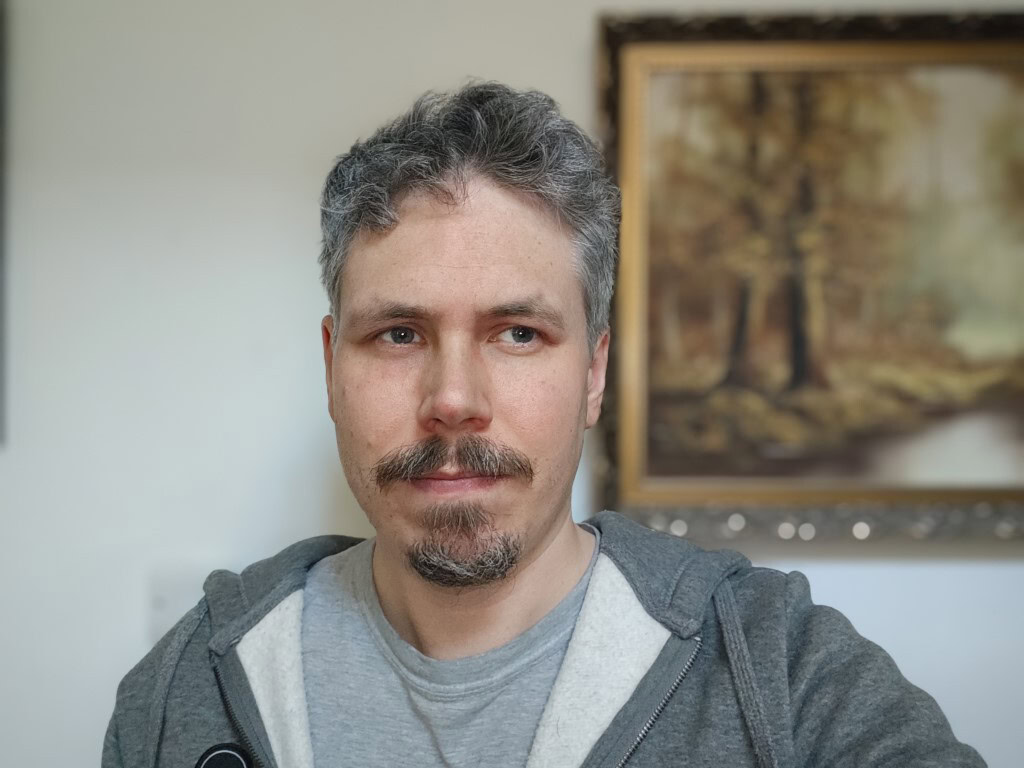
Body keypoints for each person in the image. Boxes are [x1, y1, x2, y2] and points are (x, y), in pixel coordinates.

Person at [102, 82, 985, 768]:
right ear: (333, 366)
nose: (453, 398)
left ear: (594, 373)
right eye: (399, 333)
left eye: (518, 333)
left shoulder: (781, 672)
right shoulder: (194, 683)